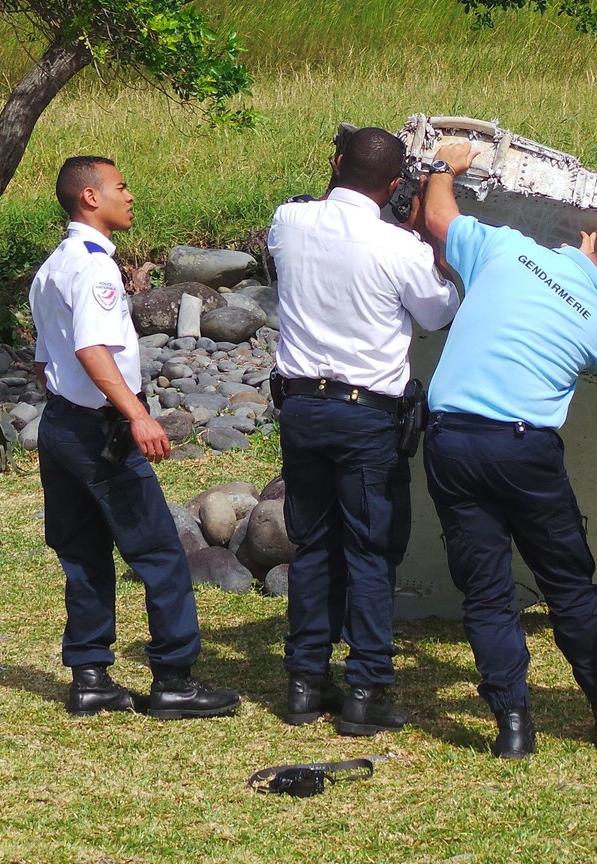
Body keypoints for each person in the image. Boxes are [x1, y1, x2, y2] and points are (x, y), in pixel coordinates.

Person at [419, 140, 597, 759]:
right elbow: (588, 301)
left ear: (596, 250)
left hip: (454, 440)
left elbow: (437, 220)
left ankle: (512, 724)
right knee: (568, 585)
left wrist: (445, 166)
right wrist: (587, 273)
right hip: (527, 452)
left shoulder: (506, 250)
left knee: (485, 588)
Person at [30, 156, 239, 720]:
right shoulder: (95, 267)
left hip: (60, 423)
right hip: (100, 429)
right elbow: (91, 349)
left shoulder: (53, 265)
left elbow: (45, 357)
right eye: (121, 186)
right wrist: (136, 416)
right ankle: (174, 678)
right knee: (160, 552)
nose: (130, 195)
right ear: (90, 198)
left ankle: (90, 675)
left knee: (83, 552)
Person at [267, 127, 460, 736]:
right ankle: (367, 687)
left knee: (314, 544)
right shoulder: (397, 248)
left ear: (335, 165)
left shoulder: (288, 223)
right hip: (366, 413)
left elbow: (316, 216)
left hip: (300, 406)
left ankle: (304, 681)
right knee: (371, 551)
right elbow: (438, 312)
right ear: (396, 186)